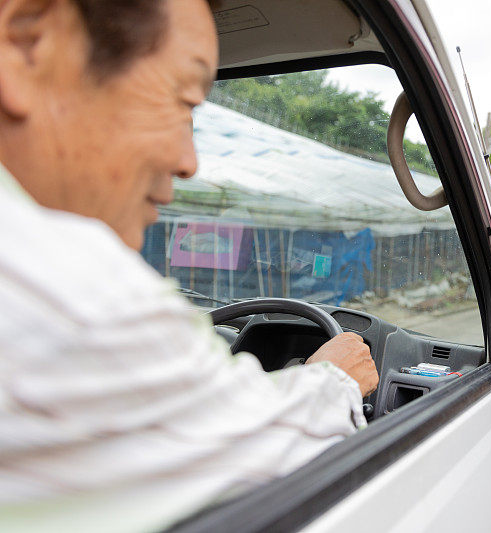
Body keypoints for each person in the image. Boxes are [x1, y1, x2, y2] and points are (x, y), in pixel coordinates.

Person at [0, 0, 378, 531]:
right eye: (183, 104)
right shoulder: (74, 295)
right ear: (27, 43)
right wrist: (336, 378)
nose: (189, 161)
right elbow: (271, 435)